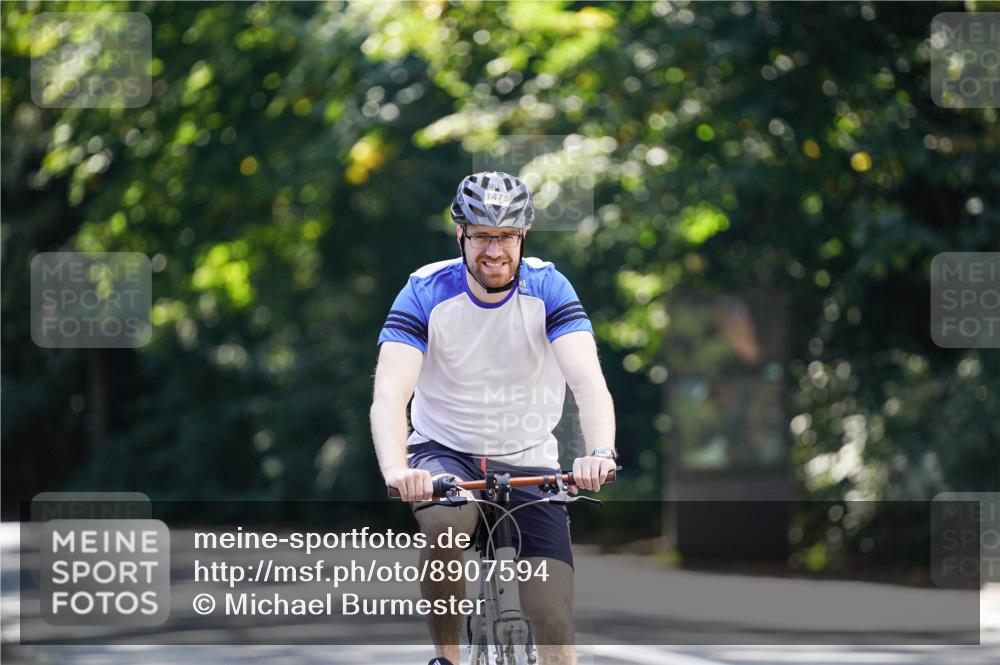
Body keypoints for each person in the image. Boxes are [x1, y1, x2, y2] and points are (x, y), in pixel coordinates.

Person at [370, 171, 617, 665]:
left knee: (551, 615)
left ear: (522, 237)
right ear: (460, 234)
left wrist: (600, 453)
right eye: (482, 235)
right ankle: (448, 657)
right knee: (445, 527)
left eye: (506, 236)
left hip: (529, 457)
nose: (494, 250)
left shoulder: (548, 287)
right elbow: (390, 393)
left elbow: (588, 382)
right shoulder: (424, 291)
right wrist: (398, 470)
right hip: (445, 452)